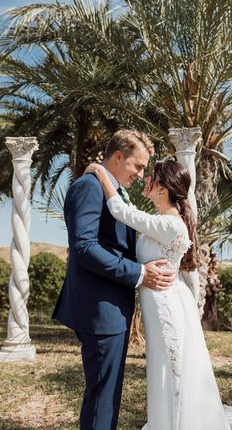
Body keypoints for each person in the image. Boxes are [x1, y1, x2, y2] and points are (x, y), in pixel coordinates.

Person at [85, 159, 232, 430]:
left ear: (162, 188)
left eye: (150, 176)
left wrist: (99, 171)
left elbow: (121, 210)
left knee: (170, 370)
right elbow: (129, 213)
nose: (144, 179)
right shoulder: (163, 220)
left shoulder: (172, 224)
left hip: (165, 306)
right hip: (160, 300)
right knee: (162, 368)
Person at [52, 130, 176, 430]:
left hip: (112, 308)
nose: (141, 174)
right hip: (100, 309)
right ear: (118, 157)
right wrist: (139, 273)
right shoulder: (89, 186)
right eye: (138, 165)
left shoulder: (111, 190)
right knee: (102, 397)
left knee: (107, 393)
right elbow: (84, 247)